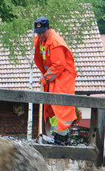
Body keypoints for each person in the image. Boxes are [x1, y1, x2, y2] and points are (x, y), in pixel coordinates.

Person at [33, 16, 77, 146]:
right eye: (38, 33)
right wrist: (46, 78)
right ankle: (54, 136)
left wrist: (44, 78)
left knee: (61, 107)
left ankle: (62, 138)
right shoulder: (41, 40)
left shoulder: (55, 43)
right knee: (51, 108)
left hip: (63, 78)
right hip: (53, 77)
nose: (40, 35)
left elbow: (59, 65)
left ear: (49, 29)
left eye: (42, 32)